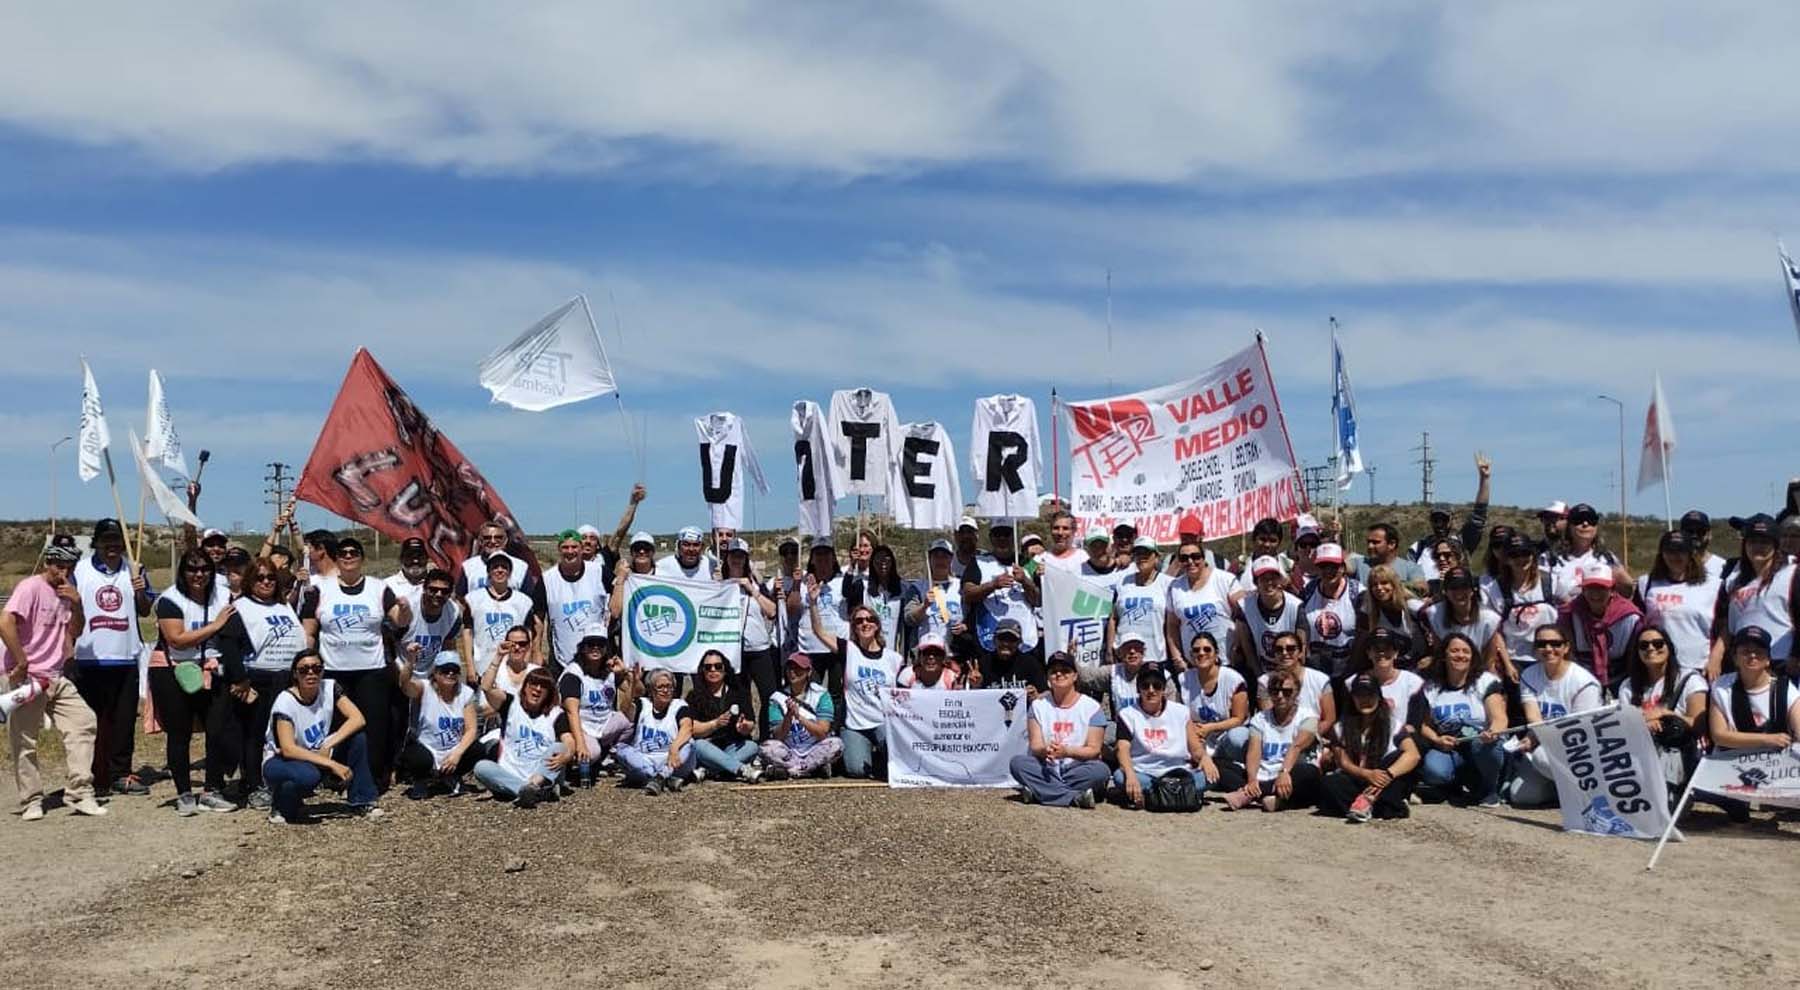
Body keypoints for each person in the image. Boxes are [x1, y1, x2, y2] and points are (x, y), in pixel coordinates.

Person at [2, 539, 107, 820]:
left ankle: (81, 792)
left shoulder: (67, 593)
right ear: (47, 563)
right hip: (28, 676)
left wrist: (78, 604)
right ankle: (32, 799)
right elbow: (5, 622)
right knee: (25, 740)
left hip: (56, 674)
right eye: (59, 566)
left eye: (69, 567)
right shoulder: (30, 587)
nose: (63, 572)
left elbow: (76, 630)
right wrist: (20, 660)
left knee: (83, 722)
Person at [299, 536, 397, 788]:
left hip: (371, 670)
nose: (348, 556)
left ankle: (371, 778)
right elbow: (309, 630)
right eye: (343, 552)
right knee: (337, 724)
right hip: (334, 671)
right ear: (337, 558)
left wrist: (404, 609)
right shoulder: (321, 589)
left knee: (374, 726)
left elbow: (399, 619)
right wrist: (305, 664)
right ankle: (336, 774)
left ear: (362, 558)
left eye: (354, 552)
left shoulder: (379, 587)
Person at [148, 549, 239, 815]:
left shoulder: (223, 596)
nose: (198, 574)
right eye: (191, 569)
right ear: (182, 571)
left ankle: (212, 789)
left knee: (217, 730)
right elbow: (176, 638)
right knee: (180, 733)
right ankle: (184, 793)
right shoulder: (170, 600)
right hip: (173, 669)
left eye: (204, 569)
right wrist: (216, 625)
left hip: (213, 668)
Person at [72, 518, 154, 797]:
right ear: (96, 542)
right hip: (88, 657)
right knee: (89, 721)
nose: (112, 546)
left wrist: (140, 588)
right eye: (106, 540)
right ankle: (90, 775)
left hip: (125, 657)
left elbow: (145, 610)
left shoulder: (135, 568)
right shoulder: (80, 570)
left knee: (122, 722)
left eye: (117, 540)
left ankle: (120, 773)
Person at [215, 557, 305, 810]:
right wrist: (240, 680)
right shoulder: (240, 607)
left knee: (282, 734)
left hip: (286, 679)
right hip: (257, 679)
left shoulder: (284, 605)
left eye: (270, 578)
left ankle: (279, 779)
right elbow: (229, 645)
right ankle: (254, 785)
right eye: (260, 577)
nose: (266, 582)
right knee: (254, 736)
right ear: (249, 581)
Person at [260, 649, 382, 824]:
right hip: (281, 760)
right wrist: (331, 763)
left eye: (316, 668)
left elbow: (358, 719)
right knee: (308, 776)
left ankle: (362, 799)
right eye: (304, 670)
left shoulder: (330, 688)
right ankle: (281, 803)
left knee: (358, 738)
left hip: (318, 752)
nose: (311, 673)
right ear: (295, 674)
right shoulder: (285, 701)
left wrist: (329, 744)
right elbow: (287, 749)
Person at [1707, 626, 1799, 821]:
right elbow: (1719, 735)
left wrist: (1740, 738)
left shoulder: (1785, 688)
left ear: (1767, 659)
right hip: (1732, 763)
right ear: (1735, 657)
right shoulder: (1722, 686)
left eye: (1758, 652)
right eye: (1745, 651)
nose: (1752, 656)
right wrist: (1768, 739)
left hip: (1775, 765)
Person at [1508, 624, 1604, 807]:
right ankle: (1564, 792)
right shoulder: (1529, 674)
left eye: (1555, 644)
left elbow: (1580, 728)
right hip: (1547, 741)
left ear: (1566, 647)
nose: (1548, 649)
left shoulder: (1584, 682)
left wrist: (1537, 737)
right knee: (1521, 796)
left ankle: (1591, 792)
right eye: (1542, 644)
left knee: (1542, 757)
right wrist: (1533, 735)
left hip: (1580, 748)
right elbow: (1533, 717)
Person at [810, 592, 902, 779]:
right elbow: (819, 631)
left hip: (883, 722)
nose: (865, 624)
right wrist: (812, 603)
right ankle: (870, 755)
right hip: (855, 724)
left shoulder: (894, 659)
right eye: (859, 621)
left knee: (897, 758)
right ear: (854, 627)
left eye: (869, 620)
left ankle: (879, 755)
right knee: (856, 770)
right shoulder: (848, 650)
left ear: (877, 625)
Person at [1416, 633, 1508, 806]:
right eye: (1455, 651)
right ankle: (1456, 785)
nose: (1460, 655)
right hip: (1449, 746)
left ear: (1472, 657)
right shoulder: (1430, 687)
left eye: (1466, 651)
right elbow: (1423, 724)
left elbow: (1500, 718)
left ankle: (1489, 790)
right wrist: (1436, 739)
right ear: (1444, 655)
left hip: (1480, 743)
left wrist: (1493, 732)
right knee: (1434, 771)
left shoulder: (1485, 681)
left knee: (1486, 745)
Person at [1009, 652, 1109, 808]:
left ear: (1075, 676)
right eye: (1053, 671)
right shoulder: (1038, 706)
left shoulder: (1092, 708)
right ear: (1048, 677)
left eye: (1065, 670)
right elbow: (1035, 745)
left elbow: (1094, 750)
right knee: (1017, 763)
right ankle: (1075, 797)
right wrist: (1048, 751)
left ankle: (1040, 792)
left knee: (1101, 771)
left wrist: (1067, 752)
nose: (1059, 674)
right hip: (1046, 766)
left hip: (1077, 767)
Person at [1320, 673, 1423, 822]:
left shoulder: (1393, 724)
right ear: (1352, 698)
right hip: (1359, 776)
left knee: (1396, 757)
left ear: (1378, 697)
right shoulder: (1340, 728)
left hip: (1385, 776)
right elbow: (1343, 762)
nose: (1365, 700)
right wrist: (1367, 774)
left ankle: (1368, 802)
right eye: (1359, 696)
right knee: (1329, 784)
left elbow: (1413, 754)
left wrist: (1387, 775)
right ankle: (1376, 805)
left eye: (1370, 695)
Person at [1616, 625, 1705, 797]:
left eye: (1657, 644)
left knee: (1675, 727)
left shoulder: (1690, 679)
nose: (1650, 648)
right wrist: (1646, 722)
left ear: (1669, 648)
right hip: (1641, 754)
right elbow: (1624, 723)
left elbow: (1698, 724)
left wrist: (1664, 714)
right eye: (1644, 645)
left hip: (1682, 754)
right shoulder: (1628, 685)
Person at [473, 656, 574, 807]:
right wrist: (498, 657)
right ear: (525, 687)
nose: (538, 690)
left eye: (543, 687)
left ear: (549, 692)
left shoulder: (556, 714)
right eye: (533, 684)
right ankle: (531, 792)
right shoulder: (511, 704)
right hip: (510, 772)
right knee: (481, 767)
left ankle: (532, 787)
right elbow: (486, 687)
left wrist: (567, 755)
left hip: (540, 773)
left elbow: (569, 740)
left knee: (559, 747)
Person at [1112, 665, 1212, 810]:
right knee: (1120, 777)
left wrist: (1205, 758)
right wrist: (1130, 774)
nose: (1151, 690)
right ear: (1138, 689)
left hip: (1179, 771)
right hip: (1145, 772)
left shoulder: (1181, 712)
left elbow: (1195, 748)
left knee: (1211, 775)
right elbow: (1122, 749)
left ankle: (1152, 796)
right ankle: (1182, 794)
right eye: (1145, 686)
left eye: (1157, 686)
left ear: (1164, 688)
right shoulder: (1127, 715)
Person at [1221, 668, 1321, 812]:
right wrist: (1251, 780)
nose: (1280, 696)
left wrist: (1284, 772)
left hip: (1292, 773)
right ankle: (1269, 797)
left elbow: (1296, 747)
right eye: (1275, 691)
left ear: (1297, 692)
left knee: (1309, 773)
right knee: (1218, 766)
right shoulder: (1260, 719)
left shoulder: (1308, 717)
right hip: (1264, 773)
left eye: (1287, 692)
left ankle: (1249, 795)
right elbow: (1254, 751)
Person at [1712, 514, 1798, 678]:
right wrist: (1716, 656)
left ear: (1776, 545)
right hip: (1745, 666)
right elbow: (1730, 629)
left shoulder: (1792, 573)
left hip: (1782, 665)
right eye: (1752, 541)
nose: (1758, 546)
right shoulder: (1735, 582)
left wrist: (1795, 656)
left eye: (1764, 542)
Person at [1633, 530, 1720, 678]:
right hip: (1658, 667)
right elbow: (1638, 627)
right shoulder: (1646, 584)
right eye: (1670, 551)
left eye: (1681, 551)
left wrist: (1716, 658)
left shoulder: (1714, 585)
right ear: (1662, 554)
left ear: (1690, 554)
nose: (1676, 556)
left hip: (1698, 667)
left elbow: (1724, 627)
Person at [393, 651, 479, 800]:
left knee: (478, 749)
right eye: (445, 670)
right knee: (417, 758)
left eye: (455, 670)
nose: (450, 674)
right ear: (436, 673)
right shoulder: (424, 688)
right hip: (426, 748)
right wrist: (411, 661)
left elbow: (471, 729)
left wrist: (457, 754)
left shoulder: (465, 693)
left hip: (452, 750)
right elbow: (404, 684)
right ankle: (421, 780)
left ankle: (452, 775)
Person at [558, 634, 636, 783]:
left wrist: (627, 674)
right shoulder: (573, 674)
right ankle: (576, 762)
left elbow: (638, 692)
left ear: (606, 648)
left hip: (603, 723)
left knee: (633, 713)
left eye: (600, 645)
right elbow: (571, 712)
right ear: (582, 648)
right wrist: (580, 744)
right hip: (581, 727)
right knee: (592, 754)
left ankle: (609, 756)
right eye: (590, 644)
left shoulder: (609, 671)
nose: (595, 648)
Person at [1406, 453, 1492, 582]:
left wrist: (1484, 479)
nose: (1439, 524)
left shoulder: (1462, 542)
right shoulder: (1417, 548)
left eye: (1444, 519)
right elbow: (1410, 578)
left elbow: (1478, 517)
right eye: (1435, 520)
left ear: (1451, 520)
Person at [964, 521, 1041, 664]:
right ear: (991, 537)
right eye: (997, 534)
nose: (1002, 539)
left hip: (1025, 641)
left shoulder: (1028, 563)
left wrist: (1025, 581)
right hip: (989, 640)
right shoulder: (979, 562)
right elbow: (968, 594)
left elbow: (1037, 600)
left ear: (1013, 537)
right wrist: (993, 585)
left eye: (1006, 534)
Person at [1560, 564, 1642, 691]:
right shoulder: (1569, 614)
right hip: (1581, 677)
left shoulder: (1630, 617)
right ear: (1583, 590)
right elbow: (1567, 652)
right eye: (1590, 588)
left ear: (1612, 590)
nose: (1595, 594)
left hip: (1621, 678)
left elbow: (1635, 657)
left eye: (1601, 588)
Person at [615, 668, 696, 795]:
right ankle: (663, 780)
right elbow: (624, 709)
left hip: (672, 762)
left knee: (689, 743)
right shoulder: (643, 704)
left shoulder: (679, 705)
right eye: (661, 687)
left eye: (669, 687)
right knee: (621, 749)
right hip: (645, 761)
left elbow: (687, 728)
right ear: (651, 690)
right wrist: (633, 683)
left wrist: (674, 748)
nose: (665, 691)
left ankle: (662, 777)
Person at [760, 653, 842, 779]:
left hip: (814, 748)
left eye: (798, 669)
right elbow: (778, 736)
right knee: (767, 747)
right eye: (790, 669)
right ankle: (809, 769)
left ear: (808, 671)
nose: (793, 672)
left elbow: (822, 732)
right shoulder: (777, 698)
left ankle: (791, 770)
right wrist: (788, 716)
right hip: (789, 750)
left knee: (836, 744)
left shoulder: (821, 695)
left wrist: (800, 718)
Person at [540, 529, 610, 676]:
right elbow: (537, 618)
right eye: (565, 547)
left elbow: (619, 593)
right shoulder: (547, 579)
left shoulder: (599, 572)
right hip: (561, 661)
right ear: (559, 550)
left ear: (581, 548)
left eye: (574, 547)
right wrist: (536, 651)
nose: (570, 551)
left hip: (596, 658)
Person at [685, 649, 760, 783]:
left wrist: (744, 727)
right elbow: (692, 729)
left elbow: (751, 723)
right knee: (698, 745)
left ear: (725, 669)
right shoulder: (694, 696)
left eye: (718, 666)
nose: (713, 670)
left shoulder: (739, 692)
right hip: (708, 745)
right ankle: (741, 769)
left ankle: (710, 770)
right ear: (702, 671)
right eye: (708, 667)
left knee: (752, 746)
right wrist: (715, 724)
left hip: (734, 744)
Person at [1483, 532, 1558, 667]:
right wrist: (1507, 665)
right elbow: (1495, 631)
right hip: (1515, 659)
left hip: (1550, 656)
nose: (1520, 559)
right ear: (1506, 559)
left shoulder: (1550, 581)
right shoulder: (1496, 589)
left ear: (1532, 555)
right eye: (1514, 555)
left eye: (1525, 553)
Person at [1165, 533, 1237, 672]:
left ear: (1204, 558)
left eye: (1195, 556)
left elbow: (1243, 615)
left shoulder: (1225, 579)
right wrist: (1177, 658)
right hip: (1193, 665)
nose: (1190, 561)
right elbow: (1172, 627)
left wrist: (1238, 647)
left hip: (1226, 662)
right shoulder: (1174, 587)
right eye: (1184, 558)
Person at [1176, 631, 1250, 765]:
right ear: (1191, 655)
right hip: (1197, 737)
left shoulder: (1233, 679)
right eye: (1196, 650)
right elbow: (1178, 715)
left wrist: (1210, 727)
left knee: (1238, 737)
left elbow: (1239, 719)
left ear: (1216, 654)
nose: (1201, 653)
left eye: (1207, 649)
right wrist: (1194, 731)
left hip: (1226, 737)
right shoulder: (1183, 680)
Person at [1423, 567, 1510, 678]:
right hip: (1448, 673)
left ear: (1472, 590)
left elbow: (1488, 661)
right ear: (1445, 591)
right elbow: (1439, 654)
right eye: (1454, 588)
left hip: (1479, 673)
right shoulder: (1434, 614)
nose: (1459, 592)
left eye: (1464, 587)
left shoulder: (1489, 619)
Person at [463, 555, 542, 676]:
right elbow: (467, 633)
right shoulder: (474, 599)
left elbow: (529, 635)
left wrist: (525, 662)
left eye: (504, 567)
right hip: (482, 666)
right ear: (488, 572)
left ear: (510, 573)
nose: (500, 570)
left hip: (513, 668)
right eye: (495, 567)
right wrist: (470, 667)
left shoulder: (523, 602)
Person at [1255, 631, 1336, 742]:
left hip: (1313, 736)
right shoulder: (1264, 682)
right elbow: (1270, 718)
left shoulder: (1320, 679)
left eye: (1290, 648)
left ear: (1301, 652)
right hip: (1277, 738)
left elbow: (1329, 719)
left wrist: (1305, 740)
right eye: (1279, 650)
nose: (1284, 653)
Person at [1233, 556, 1304, 676]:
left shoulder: (1296, 606)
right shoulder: (1244, 607)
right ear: (1256, 582)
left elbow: (1302, 648)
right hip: (1261, 672)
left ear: (1280, 580)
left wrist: (1293, 678)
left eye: (1273, 578)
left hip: (1292, 672)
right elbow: (1248, 649)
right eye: (1264, 579)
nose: (1269, 583)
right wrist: (1260, 678)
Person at [1109, 537, 1174, 665]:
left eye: (1147, 553)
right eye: (1138, 553)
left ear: (1156, 557)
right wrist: (1110, 648)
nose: (1142, 557)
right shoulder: (1123, 581)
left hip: (1154, 656)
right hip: (1124, 655)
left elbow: (1172, 624)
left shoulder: (1168, 584)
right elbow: (1113, 618)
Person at [1300, 543, 1362, 676]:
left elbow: (1365, 634)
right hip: (1316, 671)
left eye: (1333, 566)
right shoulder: (1308, 591)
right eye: (1323, 566)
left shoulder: (1357, 593)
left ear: (1343, 568)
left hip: (1350, 671)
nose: (1328, 571)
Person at [1548, 503, 1626, 602]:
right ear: (1569, 527)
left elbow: (1624, 593)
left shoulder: (1608, 558)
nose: (1585, 524)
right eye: (1578, 520)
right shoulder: (1551, 559)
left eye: (1591, 520)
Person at [1356, 564, 1425, 669]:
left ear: (1394, 585)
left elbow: (1436, 632)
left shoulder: (1412, 606)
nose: (1379, 588)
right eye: (1374, 585)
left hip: (1417, 664)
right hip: (1387, 667)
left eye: (1384, 583)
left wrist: (1432, 657)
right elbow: (1361, 644)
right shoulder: (1368, 611)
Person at [849, 544, 907, 654]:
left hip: (893, 651)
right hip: (867, 650)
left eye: (886, 558)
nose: (883, 562)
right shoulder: (862, 587)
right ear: (872, 563)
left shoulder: (902, 589)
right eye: (878, 559)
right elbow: (846, 594)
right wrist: (852, 567)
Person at [456, 520, 530, 596]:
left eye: (498, 537)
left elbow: (529, 601)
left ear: (505, 541)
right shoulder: (468, 566)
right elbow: (460, 599)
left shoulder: (521, 567)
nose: (493, 541)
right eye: (487, 538)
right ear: (480, 541)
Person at [980, 618, 1048, 698]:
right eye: (1002, 638)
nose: (1006, 643)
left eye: (1012, 639)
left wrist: (1037, 696)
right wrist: (976, 685)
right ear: (994, 640)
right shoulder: (983, 663)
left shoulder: (1030, 663)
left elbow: (1046, 692)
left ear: (1019, 642)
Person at [1351, 523, 1425, 591]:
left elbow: (1422, 588)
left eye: (1375, 542)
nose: (1370, 546)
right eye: (1368, 542)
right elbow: (1342, 564)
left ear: (1392, 544)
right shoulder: (1360, 564)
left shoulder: (1410, 568)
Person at [898, 633, 965, 689]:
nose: (931, 657)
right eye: (926, 653)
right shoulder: (907, 675)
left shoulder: (951, 678)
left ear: (943, 657)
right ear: (919, 656)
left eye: (936, 653)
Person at [1677, 510, 1728, 581]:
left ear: (1709, 534)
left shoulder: (1723, 567)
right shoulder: (1673, 565)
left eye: (1700, 531)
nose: (1694, 535)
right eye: (1689, 531)